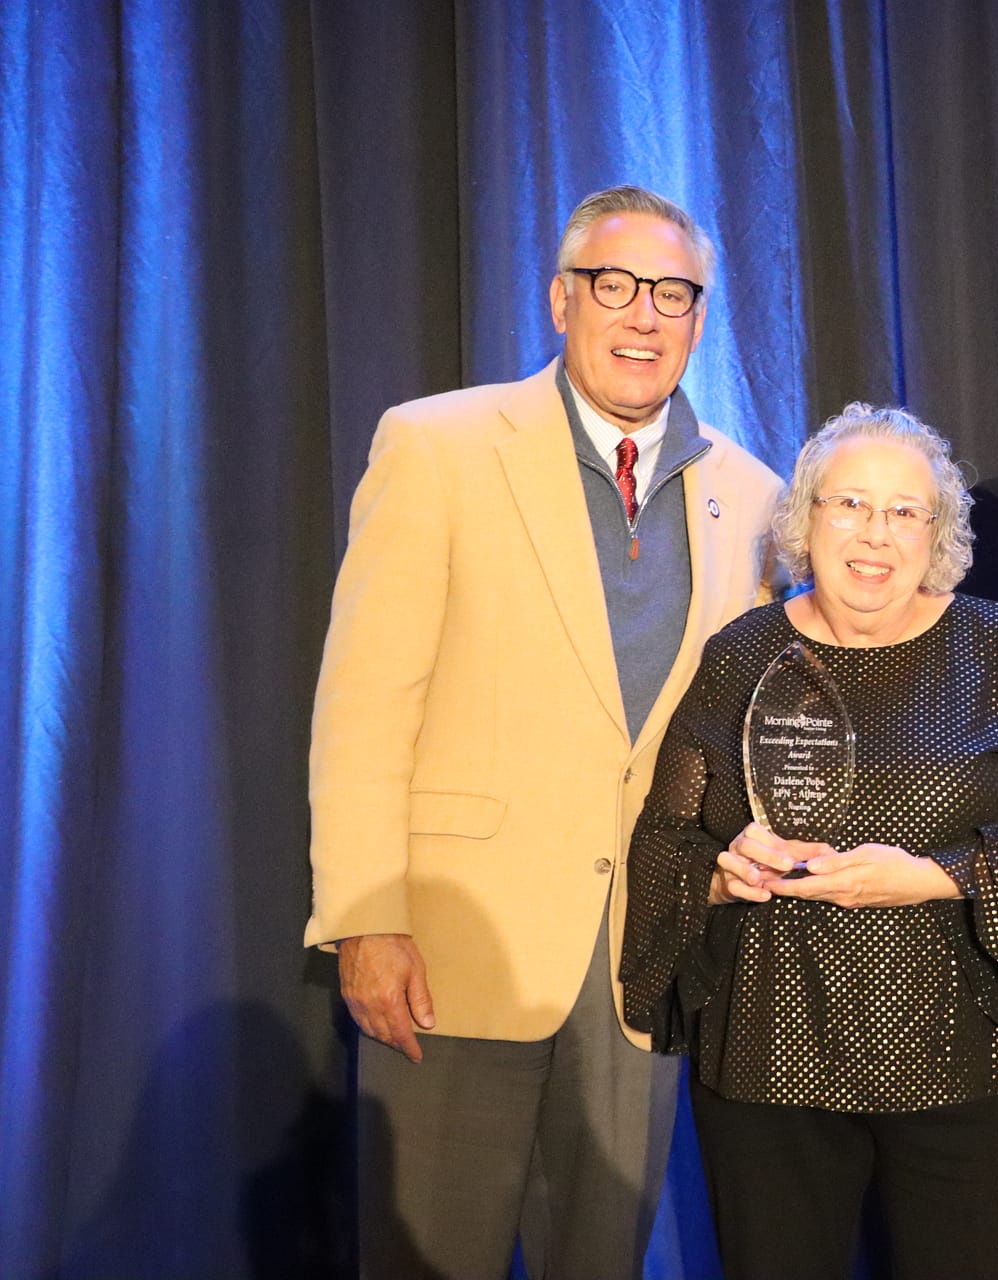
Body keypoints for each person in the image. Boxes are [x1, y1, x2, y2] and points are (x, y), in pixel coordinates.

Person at [305, 184, 781, 1278]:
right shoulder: (440, 444)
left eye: (672, 293)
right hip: (452, 950)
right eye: (615, 286)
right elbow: (366, 699)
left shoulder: (751, 494)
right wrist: (365, 914)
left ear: (700, 319)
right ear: (562, 299)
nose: (644, 315)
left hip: (635, 969)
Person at [621, 403, 998, 1280]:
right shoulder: (740, 654)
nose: (876, 534)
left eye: (906, 512)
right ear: (806, 519)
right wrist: (719, 874)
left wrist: (939, 875)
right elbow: (663, 840)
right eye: (850, 505)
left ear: (936, 534)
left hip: (965, 1059)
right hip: (768, 1058)